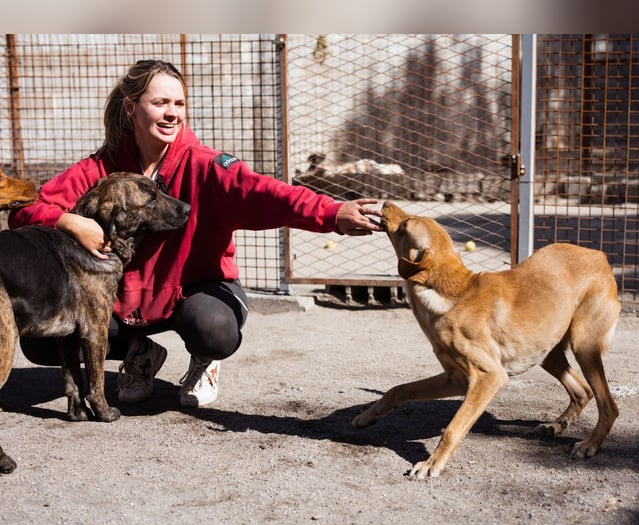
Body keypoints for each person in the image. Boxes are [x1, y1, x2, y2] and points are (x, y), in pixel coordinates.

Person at [9, 59, 382, 408]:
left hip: (194, 294)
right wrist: (71, 221)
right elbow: (25, 208)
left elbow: (267, 194)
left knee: (214, 330)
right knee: (42, 338)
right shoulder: (101, 170)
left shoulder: (206, 165)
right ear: (131, 108)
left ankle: (204, 360)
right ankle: (140, 352)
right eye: (160, 102)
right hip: (127, 304)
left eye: (179, 103)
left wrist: (332, 213)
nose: (172, 113)